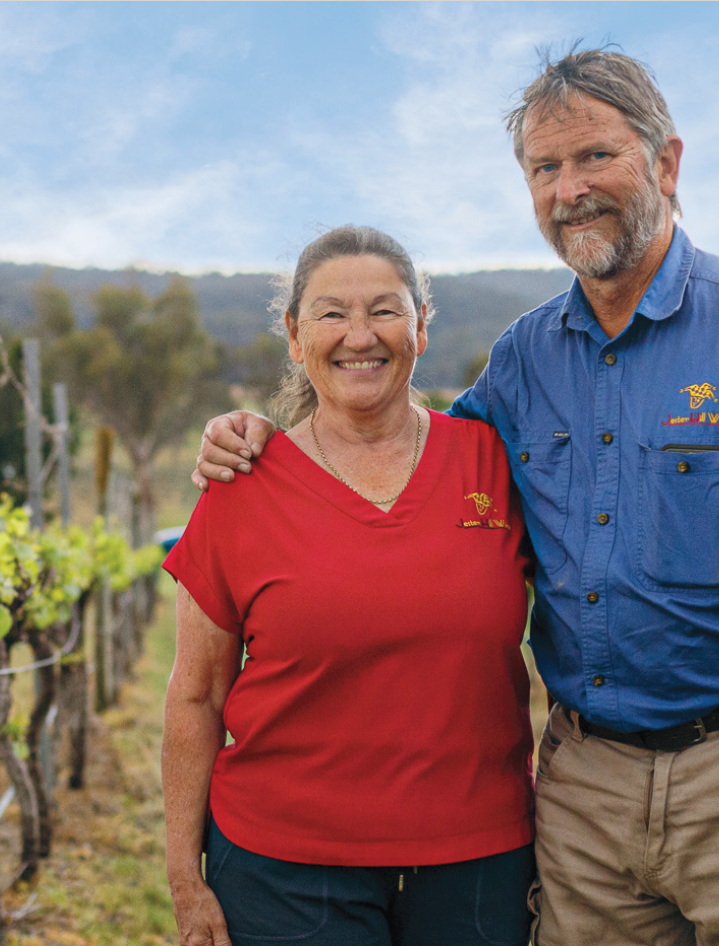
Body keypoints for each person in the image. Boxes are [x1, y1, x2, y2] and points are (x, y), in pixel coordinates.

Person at [194, 50, 719, 946]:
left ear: (665, 165)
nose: (568, 189)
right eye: (544, 169)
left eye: (594, 157)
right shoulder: (524, 358)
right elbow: (399, 448)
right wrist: (261, 438)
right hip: (585, 789)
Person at [162, 226, 536, 946]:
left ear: (421, 327)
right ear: (296, 337)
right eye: (332, 314)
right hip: (284, 872)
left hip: (478, 863)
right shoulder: (241, 486)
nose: (359, 336)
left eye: (385, 311)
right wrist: (185, 875)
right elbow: (195, 693)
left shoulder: (493, 462)